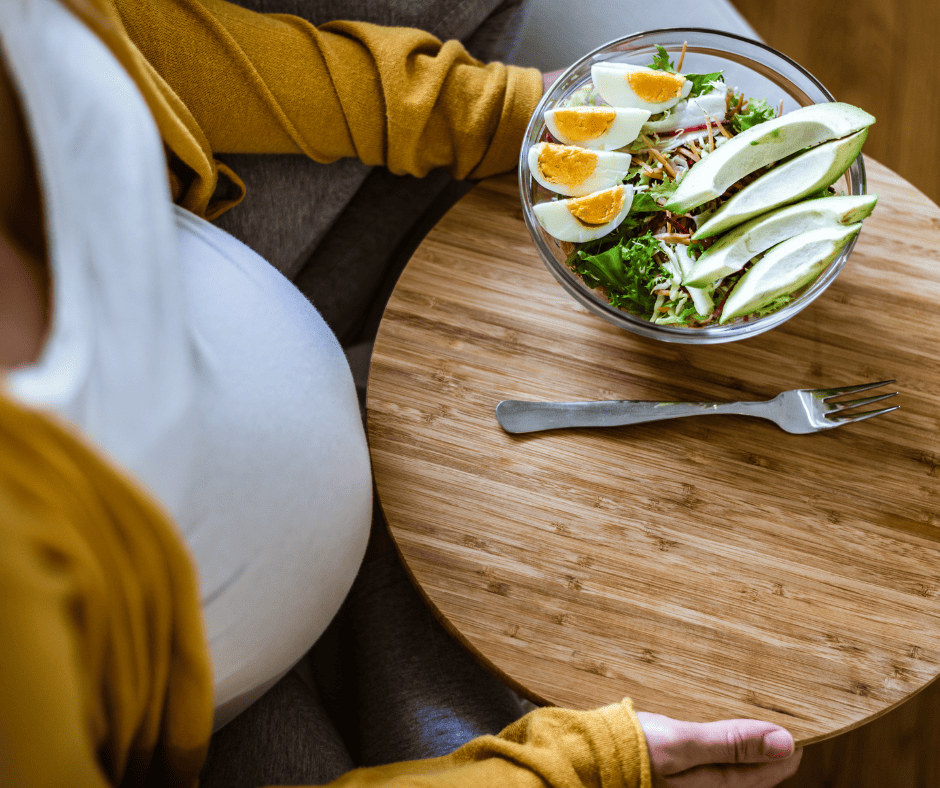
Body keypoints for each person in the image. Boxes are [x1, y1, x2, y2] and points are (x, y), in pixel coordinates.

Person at [0, 0, 803, 785]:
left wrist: (494, 115)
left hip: (251, 260)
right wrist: (571, 769)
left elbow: (138, 46)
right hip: (212, 696)